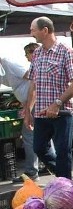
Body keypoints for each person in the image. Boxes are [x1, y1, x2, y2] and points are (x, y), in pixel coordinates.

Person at [24, 17, 73, 180]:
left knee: (63, 151)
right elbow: (33, 85)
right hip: (42, 113)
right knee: (39, 147)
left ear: (45, 30)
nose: (31, 33)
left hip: (62, 112)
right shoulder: (37, 53)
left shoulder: (66, 52)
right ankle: (63, 178)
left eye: (33, 29)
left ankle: (65, 187)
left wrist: (57, 104)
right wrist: (28, 111)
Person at [0, 47, 38, 181]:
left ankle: (32, 171)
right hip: (27, 102)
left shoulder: (9, 64)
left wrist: (28, 106)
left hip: (33, 103)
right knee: (41, 135)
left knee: (29, 136)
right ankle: (47, 165)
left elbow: (33, 79)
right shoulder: (2, 69)